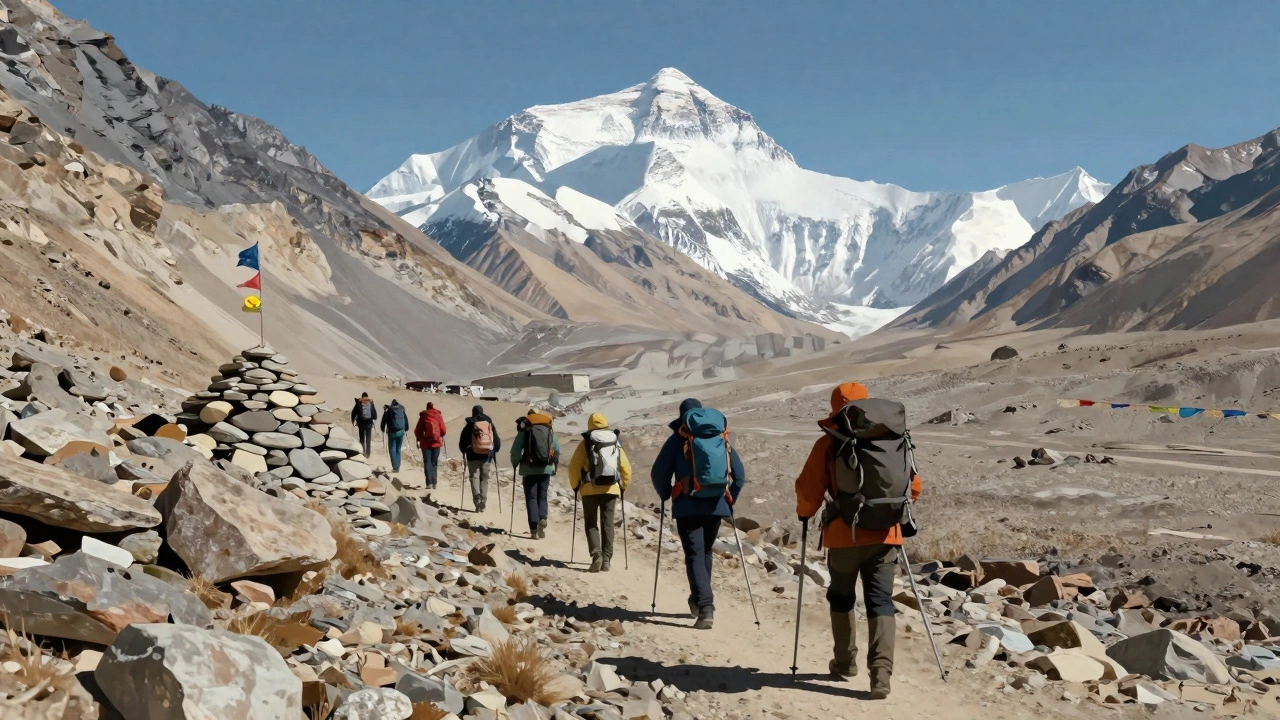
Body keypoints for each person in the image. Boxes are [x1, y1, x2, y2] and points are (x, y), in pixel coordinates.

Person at [795, 382, 923, 700]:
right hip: (886, 535)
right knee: (880, 601)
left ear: (835, 406)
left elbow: (809, 490)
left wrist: (805, 514)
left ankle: (844, 663)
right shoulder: (895, 438)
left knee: (841, 597)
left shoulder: (830, 442)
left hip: (843, 535)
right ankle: (881, 676)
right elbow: (914, 488)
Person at [650, 398, 745, 630]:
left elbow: (658, 473)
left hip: (687, 505)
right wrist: (729, 500)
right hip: (716, 505)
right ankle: (699, 600)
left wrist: (664, 494)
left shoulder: (676, 440)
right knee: (705, 554)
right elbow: (739, 475)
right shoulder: (721, 437)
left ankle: (705, 607)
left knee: (694, 554)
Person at [568, 413, 631, 572]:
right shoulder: (614, 441)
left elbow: (574, 466)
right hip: (611, 488)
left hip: (590, 489)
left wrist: (575, 485)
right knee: (607, 524)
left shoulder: (586, 442)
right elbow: (625, 467)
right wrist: (623, 486)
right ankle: (607, 560)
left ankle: (597, 555)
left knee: (591, 523)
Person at [509, 410, 560, 540]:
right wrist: (554, 465)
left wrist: (515, 463)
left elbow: (515, 451)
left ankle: (533, 530)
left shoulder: (525, 430)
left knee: (531, 497)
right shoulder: (548, 430)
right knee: (542, 496)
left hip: (529, 468)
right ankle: (542, 517)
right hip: (546, 467)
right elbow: (557, 450)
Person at [458, 404, 500, 511]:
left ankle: (477, 500)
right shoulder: (489, 424)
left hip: (472, 455)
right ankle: (483, 502)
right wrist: (494, 450)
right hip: (487, 455)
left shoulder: (470, 425)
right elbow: (496, 440)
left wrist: (463, 450)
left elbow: (462, 441)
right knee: (485, 479)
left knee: (474, 477)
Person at [413, 401, 447, 489]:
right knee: (434, 462)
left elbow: (417, 430)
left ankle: (429, 483)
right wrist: (440, 436)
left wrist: (418, 438)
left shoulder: (423, 416)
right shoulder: (438, 416)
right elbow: (443, 430)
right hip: (436, 443)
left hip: (425, 443)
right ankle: (434, 482)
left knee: (427, 462)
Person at [379, 398, 409, 473]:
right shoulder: (401, 409)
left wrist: (382, 429)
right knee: (398, 449)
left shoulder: (389, 410)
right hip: (400, 432)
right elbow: (405, 420)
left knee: (392, 449)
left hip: (392, 432)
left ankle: (395, 467)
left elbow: (384, 420)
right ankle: (398, 466)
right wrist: (406, 429)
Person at [350, 393, 377, 458]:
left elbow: (353, 413)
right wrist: (373, 419)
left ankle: (363, 453)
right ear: (367, 396)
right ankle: (368, 454)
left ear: (362, 397)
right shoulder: (370, 403)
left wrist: (353, 421)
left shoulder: (359, 403)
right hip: (369, 424)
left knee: (362, 439)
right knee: (368, 439)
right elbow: (375, 414)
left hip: (361, 423)